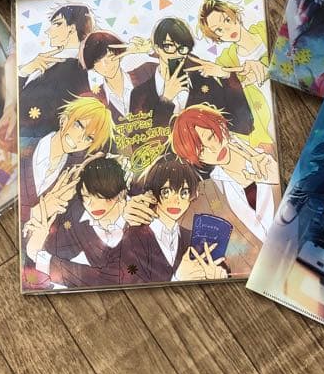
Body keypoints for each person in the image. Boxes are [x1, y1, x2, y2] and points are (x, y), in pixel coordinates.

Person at [170, 104, 278, 247]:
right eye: (201, 151)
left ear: (221, 125)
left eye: (211, 136)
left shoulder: (270, 151)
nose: (213, 149)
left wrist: (278, 177)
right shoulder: (209, 191)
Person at [129, 17, 253, 136]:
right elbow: (140, 143)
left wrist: (227, 76)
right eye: (168, 46)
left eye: (182, 48)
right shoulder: (140, 94)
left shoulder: (203, 82)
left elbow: (244, 126)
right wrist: (166, 100)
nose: (175, 54)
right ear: (157, 48)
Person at [119, 155, 227, 284]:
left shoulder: (192, 238)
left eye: (184, 193)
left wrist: (217, 277)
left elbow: (219, 270)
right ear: (153, 193)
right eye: (166, 192)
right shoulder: (132, 237)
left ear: (193, 195)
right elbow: (130, 283)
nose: (176, 200)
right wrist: (178, 279)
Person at [24, 157, 128, 288]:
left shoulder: (137, 220)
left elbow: (110, 278)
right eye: (86, 196)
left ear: (119, 192)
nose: (91, 204)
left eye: (99, 195)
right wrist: (41, 216)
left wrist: (40, 257)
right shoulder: (82, 222)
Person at [20, 95, 114, 223]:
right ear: (64, 119)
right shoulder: (21, 146)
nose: (80, 138)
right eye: (79, 126)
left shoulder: (70, 176)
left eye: (88, 138)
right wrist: (37, 212)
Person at [198, 0, 272, 150]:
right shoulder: (225, 59)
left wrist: (264, 65)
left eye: (227, 20)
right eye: (218, 30)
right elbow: (230, 98)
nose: (226, 29)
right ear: (216, 36)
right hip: (261, 121)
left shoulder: (264, 28)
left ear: (235, 15)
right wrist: (225, 74)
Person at [18, 4, 92, 138]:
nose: (48, 31)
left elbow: (28, 107)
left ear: (72, 28)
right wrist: (25, 71)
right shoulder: (52, 59)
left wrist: (23, 73)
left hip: (32, 136)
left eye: (57, 24)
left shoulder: (73, 68)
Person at [80, 30, 153, 125]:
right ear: (93, 67)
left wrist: (150, 50)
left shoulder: (146, 72)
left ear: (119, 54)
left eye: (110, 56)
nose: (106, 64)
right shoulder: (96, 99)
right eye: (98, 61)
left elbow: (170, 68)